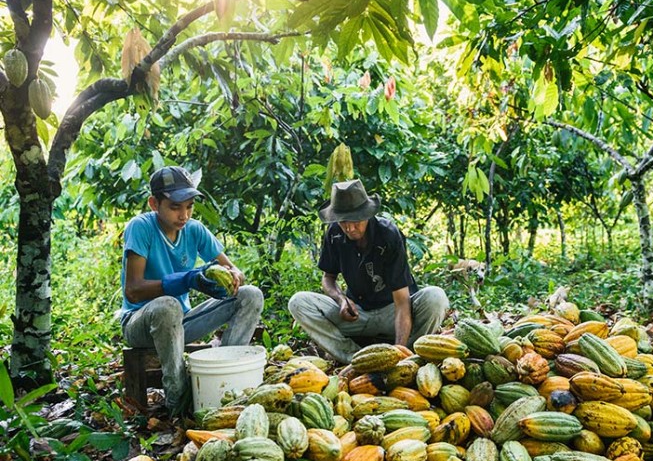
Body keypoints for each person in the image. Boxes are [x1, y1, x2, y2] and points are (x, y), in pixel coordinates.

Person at [119, 165, 264, 413]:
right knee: (168, 305)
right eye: (175, 207)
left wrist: (229, 278)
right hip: (140, 322)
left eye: (189, 207)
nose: (183, 215)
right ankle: (178, 399)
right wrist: (185, 280)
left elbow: (235, 269)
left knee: (250, 295)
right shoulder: (141, 227)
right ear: (154, 204)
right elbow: (133, 290)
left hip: (181, 321)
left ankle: (226, 378)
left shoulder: (194, 230)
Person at [289, 179, 449, 363]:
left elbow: (402, 302)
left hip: (392, 312)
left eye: (355, 221)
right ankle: (354, 358)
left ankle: (409, 356)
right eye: (343, 221)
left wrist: (398, 354)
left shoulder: (388, 234)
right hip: (358, 315)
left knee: (436, 296)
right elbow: (328, 278)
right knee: (298, 302)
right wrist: (341, 299)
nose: (349, 227)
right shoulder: (334, 233)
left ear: (367, 214)